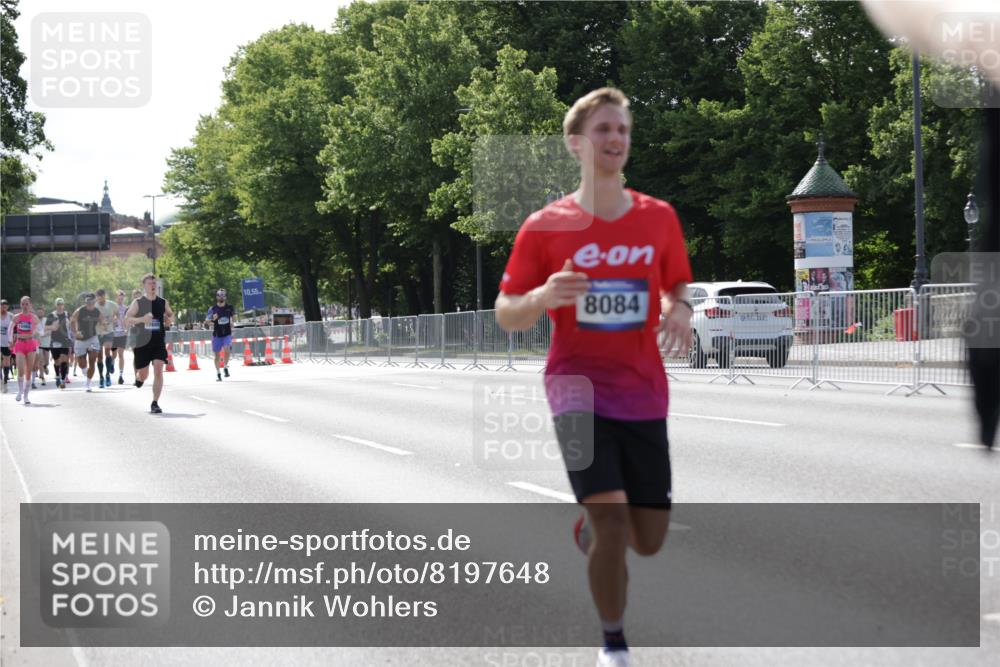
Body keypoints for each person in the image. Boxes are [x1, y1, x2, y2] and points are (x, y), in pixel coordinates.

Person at [494, 88, 693, 667]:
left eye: (623, 130)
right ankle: (614, 645)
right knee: (611, 517)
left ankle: (590, 529)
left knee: (648, 539)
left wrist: (679, 307)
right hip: (574, 387)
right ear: (576, 143)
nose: (615, 139)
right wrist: (541, 294)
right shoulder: (545, 226)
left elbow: (677, 283)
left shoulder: (658, 218)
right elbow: (507, 312)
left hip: (643, 390)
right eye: (604, 129)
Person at [124, 274, 173, 414]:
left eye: (154, 283)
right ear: (144, 285)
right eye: (150, 283)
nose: (152, 285)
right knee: (144, 375)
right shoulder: (138, 302)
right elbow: (127, 320)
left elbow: (170, 315)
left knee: (158, 369)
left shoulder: (163, 302)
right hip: (142, 343)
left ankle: (155, 402)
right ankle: (139, 378)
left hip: (158, 342)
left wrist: (170, 320)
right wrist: (142, 319)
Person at [69, 293, 106, 392]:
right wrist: (75, 332)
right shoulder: (80, 311)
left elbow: (103, 321)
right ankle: (85, 371)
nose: (89, 304)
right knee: (82, 364)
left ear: (94, 303)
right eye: (88, 303)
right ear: (85, 303)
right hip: (80, 338)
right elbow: (72, 321)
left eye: (92, 303)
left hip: (93, 337)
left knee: (93, 360)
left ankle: (88, 384)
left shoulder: (97, 311)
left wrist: (103, 326)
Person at [8, 296, 41, 404]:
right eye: (23, 304)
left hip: (31, 344)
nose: (25, 306)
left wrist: (35, 332)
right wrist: (10, 341)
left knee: (28, 371)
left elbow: (41, 331)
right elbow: (10, 329)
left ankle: (26, 396)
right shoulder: (17, 317)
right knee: (20, 369)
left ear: (30, 305)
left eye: (27, 304)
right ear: (20, 305)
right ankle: (20, 391)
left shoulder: (34, 317)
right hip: (20, 344)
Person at [205, 288, 235, 381]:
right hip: (217, 335)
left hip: (227, 334)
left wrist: (232, 322)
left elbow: (234, 318)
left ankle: (225, 367)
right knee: (217, 356)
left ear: (225, 297)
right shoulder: (212, 309)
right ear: (217, 297)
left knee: (227, 349)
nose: (221, 297)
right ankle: (218, 373)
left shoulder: (230, 307)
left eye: (223, 295)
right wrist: (213, 320)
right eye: (219, 295)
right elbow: (206, 322)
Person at [46, 298, 72, 389]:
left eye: (61, 304)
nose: (60, 306)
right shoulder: (51, 315)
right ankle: (57, 376)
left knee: (64, 359)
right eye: (58, 304)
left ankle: (63, 380)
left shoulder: (67, 314)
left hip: (65, 340)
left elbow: (73, 324)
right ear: (55, 305)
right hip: (54, 340)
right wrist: (52, 327)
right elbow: (45, 328)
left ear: (63, 305)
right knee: (57, 361)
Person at [94, 288, 118, 388]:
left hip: (109, 331)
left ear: (105, 296)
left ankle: (107, 375)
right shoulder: (94, 307)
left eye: (102, 297)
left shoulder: (112, 304)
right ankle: (101, 377)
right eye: (99, 298)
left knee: (107, 351)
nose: (101, 300)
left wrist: (115, 319)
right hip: (98, 333)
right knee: (99, 356)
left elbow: (117, 314)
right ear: (97, 298)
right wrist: (99, 322)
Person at [112, 289, 129, 385]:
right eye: (119, 299)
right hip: (113, 334)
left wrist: (127, 329)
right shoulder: (112, 308)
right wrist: (112, 320)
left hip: (122, 333)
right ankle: (112, 363)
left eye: (122, 299)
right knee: (114, 355)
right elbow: (108, 319)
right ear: (116, 298)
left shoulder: (126, 308)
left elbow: (128, 320)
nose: (120, 300)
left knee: (121, 354)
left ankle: (121, 376)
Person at [34, 305, 50, 387]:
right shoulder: (35, 321)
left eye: (41, 312)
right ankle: (42, 377)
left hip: (46, 343)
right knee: (40, 360)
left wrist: (43, 334)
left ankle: (45, 366)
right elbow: (33, 330)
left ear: (43, 312)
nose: (40, 313)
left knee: (46, 361)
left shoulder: (47, 320)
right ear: (36, 313)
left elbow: (50, 331)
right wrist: (37, 334)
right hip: (38, 343)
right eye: (38, 312)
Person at [1, 299, 11, 393]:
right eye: (2, 305)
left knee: (6, 362)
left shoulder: (10, 316)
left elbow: (15, 329)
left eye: (5, 306)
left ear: (7, 307)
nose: (3, 307)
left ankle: (5, 379)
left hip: (7, 342)